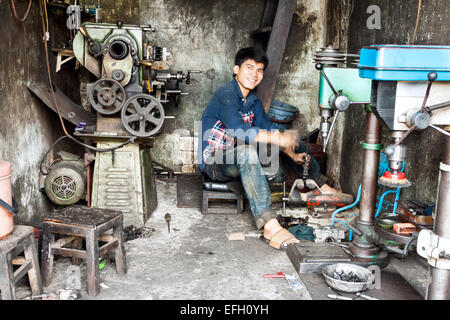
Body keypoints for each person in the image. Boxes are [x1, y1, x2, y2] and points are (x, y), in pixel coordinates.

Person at [198, 47, 337, 250]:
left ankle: (322, 186)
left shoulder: (252, 100)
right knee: (253, 150)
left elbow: (269, 129)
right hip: (214, 162)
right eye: (249, 67)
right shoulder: (225, 94)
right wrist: (277, 138)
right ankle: (270, 226)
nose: (254, 74)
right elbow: (239, 131)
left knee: (288, 137)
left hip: (237, 159)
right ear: (236, 69)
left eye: (260, 70)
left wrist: (290, 150)